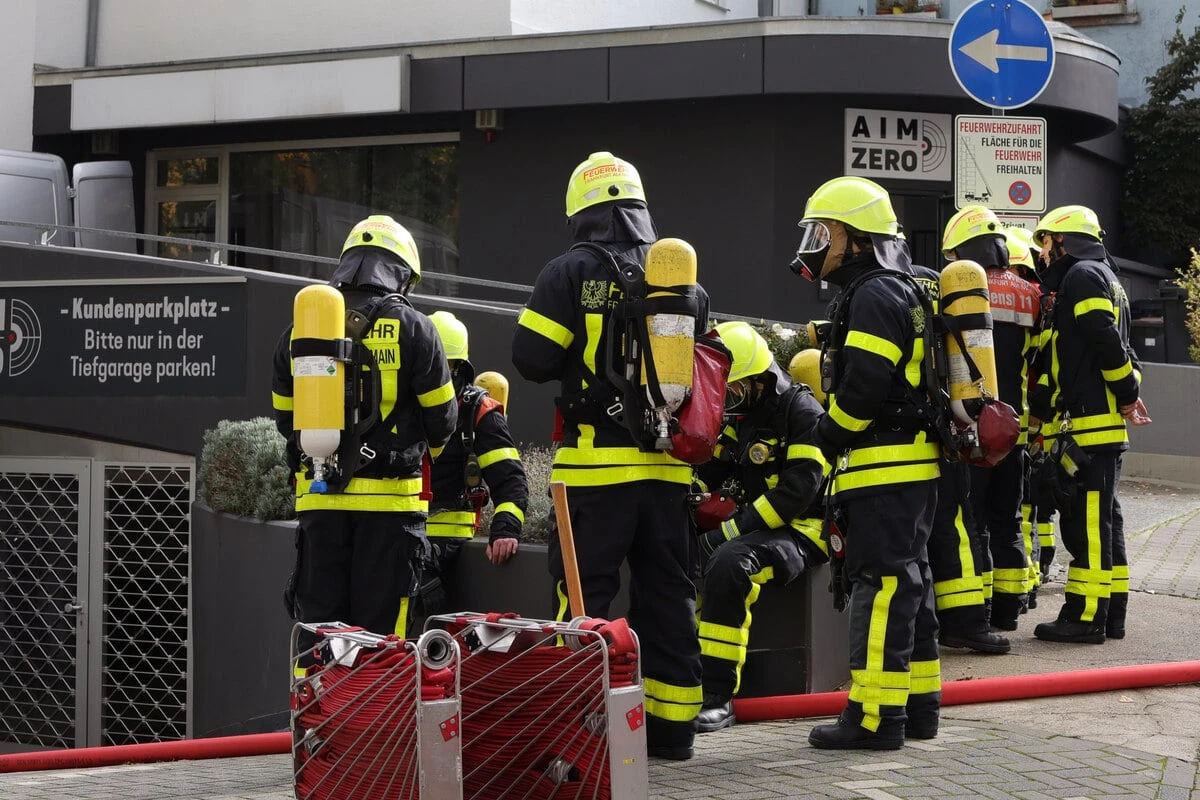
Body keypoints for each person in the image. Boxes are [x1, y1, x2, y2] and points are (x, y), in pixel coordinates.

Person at [511, 152, 707, 760]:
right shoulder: (682, 279)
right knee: (669, 597)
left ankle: (580, 731)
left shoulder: (567, 273)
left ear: (581, 212)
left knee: (583, 598)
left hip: (595, 473)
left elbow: (533, 359)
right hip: (668, 472)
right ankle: (672, 732)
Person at [789, 176, 941, 750]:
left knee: (880, 589)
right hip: (912, 468)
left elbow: (865, 388)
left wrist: (823, 440)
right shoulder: (903, 287)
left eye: (821, 232)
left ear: (853, 237)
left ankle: (874, 719)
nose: (812, 243)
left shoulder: (876, 294)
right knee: (911, 587)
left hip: (882, 467)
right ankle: (919, 707)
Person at [272, 215, 458, 664]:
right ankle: (375, 731)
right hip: (390, 513)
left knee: (319, 637)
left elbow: (285, 420)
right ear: (401, 274)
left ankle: (316, 728)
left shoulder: (301, 330)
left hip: (320, 505)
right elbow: (444, 421)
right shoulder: (416, 328)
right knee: (382, 643)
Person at [691, 321, 828, 733]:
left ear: (757, 380)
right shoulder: (747, 412)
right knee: (680, 544)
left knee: (730, 563)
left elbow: (795, 496)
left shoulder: (802, 414)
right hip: (764, 525)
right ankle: (680, 678)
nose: (726, 400)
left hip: (806, 529)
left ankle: (718, 696)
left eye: (730, 389)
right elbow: (715, 466)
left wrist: (726, 534)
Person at [1029, 205, 1149, 644]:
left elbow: (1105, 342)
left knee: (1087, 527)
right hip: (1100, 427)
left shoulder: (1082, 277)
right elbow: (1126, 354)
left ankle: (1085, 617)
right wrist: (1129, 391)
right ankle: (1112, 615)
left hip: (1088, 429)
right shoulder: (1108, 279)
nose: (1043, 254)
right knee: (1106, 524)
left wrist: (1128, 395)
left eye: (1047, 242)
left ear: (1065, 241)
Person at [941, 207, 1042, 632]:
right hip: (1013, 427)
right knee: (1008, 520)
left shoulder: (961, 290)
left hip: (971, 426)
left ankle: (975, 612)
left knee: (971, 521)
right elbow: (1037, 362)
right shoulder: (1031, 294)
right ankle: (1007, 610)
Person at [414, 310, 528, 628]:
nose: (434, 373)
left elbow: (511, 479)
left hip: (449, 545)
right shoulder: (400, 404)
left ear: (458, 367)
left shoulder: (478, 412)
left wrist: (505, 528)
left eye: (443, 365)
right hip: (397, 535)